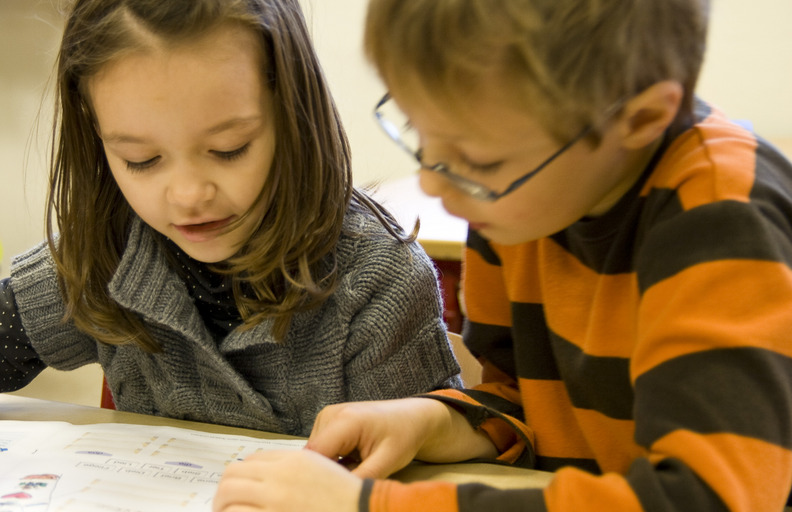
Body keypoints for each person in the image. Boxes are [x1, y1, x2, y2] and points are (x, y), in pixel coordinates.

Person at [213, 0, 792, 511]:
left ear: (641, 119)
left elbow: (705, 498)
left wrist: (378, 507)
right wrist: (434, 421)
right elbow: (527, 402)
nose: (436, 184)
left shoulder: (721, 220)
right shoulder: (524, 201)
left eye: (478, 161)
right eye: (420, 132)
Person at [0, 0, 464, 496]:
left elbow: (430, 484)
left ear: (294, 113)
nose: (187, 196)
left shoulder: (377, 280)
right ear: (96, 137)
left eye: (230, 147)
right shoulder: (105, 255)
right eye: (142, 160)